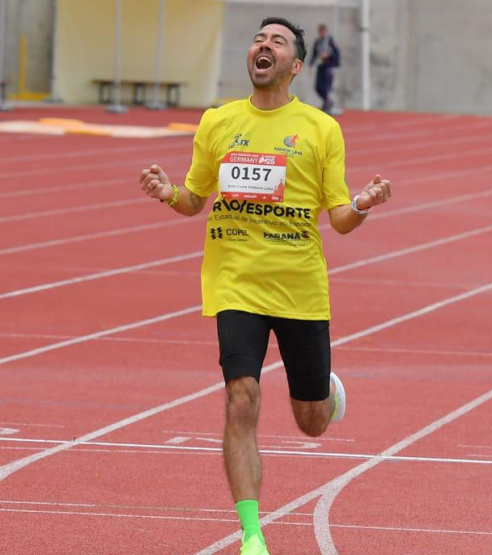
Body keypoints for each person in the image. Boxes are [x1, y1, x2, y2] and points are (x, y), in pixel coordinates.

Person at [136, 17, 392, 555]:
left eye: (277, 41)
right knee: (241, 399)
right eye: (259, 39)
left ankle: (326, 390)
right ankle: (253, 534)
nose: (264, 45)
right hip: (236, 283)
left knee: (312, 423)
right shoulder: (219, 122)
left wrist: (363, 205)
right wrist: (167, 192)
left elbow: (339, 217)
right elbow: (193, 199)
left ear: (295, 65)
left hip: (300, 286)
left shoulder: (321, 128)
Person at [309, 23, 340, 113]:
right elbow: (314, 54)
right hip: (320, 66)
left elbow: (337, 53)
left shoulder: (330, 41)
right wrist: (311, 65)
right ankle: (328, 102)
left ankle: (327, 104)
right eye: (320, 31)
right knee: (318, 87)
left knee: (326, 87)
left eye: (323, 31)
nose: (322, 33)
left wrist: (328, 55)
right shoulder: (318, 41)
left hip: (328, 66)